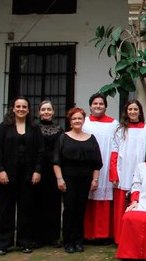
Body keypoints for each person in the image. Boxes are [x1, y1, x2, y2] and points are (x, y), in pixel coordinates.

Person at [0, 96, 44, 255]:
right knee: (5, 209)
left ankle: (25, 242)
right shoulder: (4, 127)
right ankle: (3, 243)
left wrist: (38, 170)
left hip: (28, 175)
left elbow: (41, 151)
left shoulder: (34, 128)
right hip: (7, 175)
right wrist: (0, 169)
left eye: (24, 107)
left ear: (28, 110)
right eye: (18, 106)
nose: (21, 109)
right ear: (13, 109)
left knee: (26, 209)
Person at [53, 107, 102, 254]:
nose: (77, 121)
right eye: (74, 118)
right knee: (69, 210)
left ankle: (78, 241)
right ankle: (68, 241)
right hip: (68, 179)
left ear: (83, 120)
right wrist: (59, 179)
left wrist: (95, 180)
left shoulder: (91, 138)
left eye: (79, 118)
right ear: (70, 121)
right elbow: (56, 161)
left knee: (81, 210)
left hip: (85, 179)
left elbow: (97, 163)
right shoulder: (63, 137)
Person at [109, 100, 146, 244]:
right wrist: (114, 173)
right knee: (121, 208)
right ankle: (121, 238)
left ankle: (136, 239)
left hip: (141, 171)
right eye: (130, 109)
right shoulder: (120, 130)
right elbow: (114, 152)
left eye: (135, 109)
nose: (133, 112)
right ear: (126, 112)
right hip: (123, 172)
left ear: (140, 112)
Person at [82, 93, 119, 242]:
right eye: (95, 104)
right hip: (87, 164)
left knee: (104, 199)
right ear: (90, 106)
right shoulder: (83, 122)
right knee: (87, 199)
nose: (98, 106)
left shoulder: (113, 123)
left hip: (106, 164)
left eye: (101, 104)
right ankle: (87, 233)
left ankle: (103, 234)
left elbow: (116, 145)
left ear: (105, 106)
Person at [33, 100, 64, 249]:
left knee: (54, 203)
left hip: (54, 169)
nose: (46, 112)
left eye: (49, 109)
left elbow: (61, 149)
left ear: (53, 112)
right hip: (37, 169)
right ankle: (37, 237)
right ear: (39, 112)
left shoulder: (59, 129)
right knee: (37, 203)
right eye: (43, 109)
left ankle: (53, 237)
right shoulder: (33, 128)